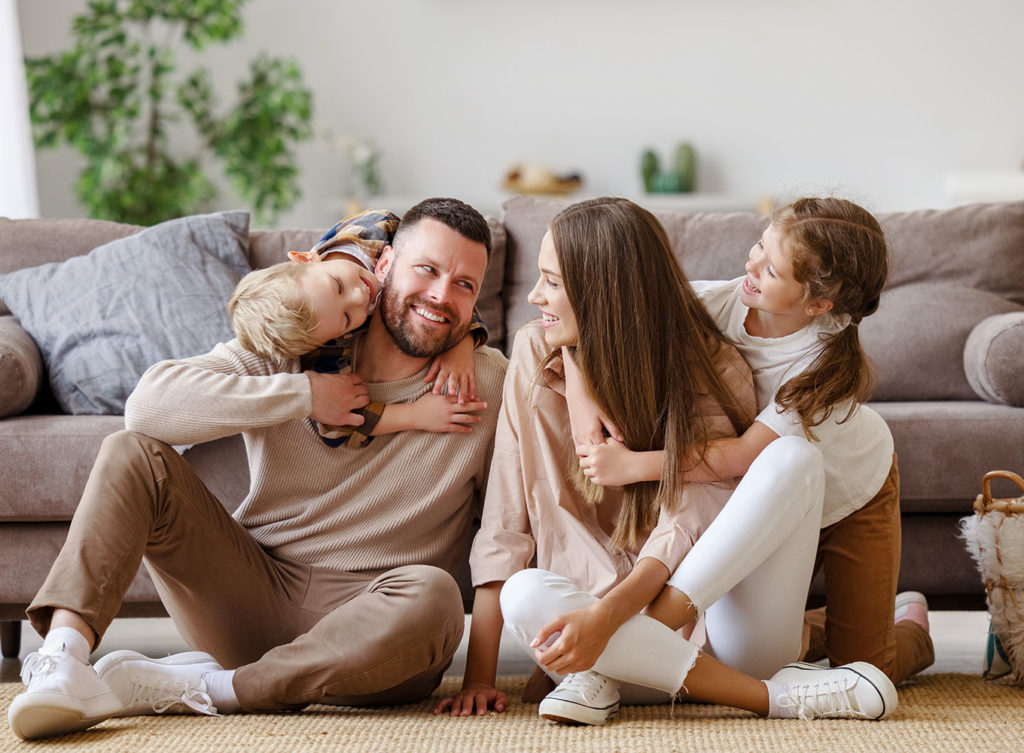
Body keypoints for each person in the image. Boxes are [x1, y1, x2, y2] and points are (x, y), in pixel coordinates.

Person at [7, 198, 508, 741]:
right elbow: (147, 409)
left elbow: (506, 528)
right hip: (255, 592)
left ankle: (215, 688)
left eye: (465, 285)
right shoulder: (301, 335)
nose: (441, 296)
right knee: (132, 453)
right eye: (427, 269)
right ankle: (62, 661)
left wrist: (483, 676)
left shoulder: (487, 382)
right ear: (383, 266)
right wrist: (303, 394)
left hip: (378, 631)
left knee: (435, 595)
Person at [435, 197, 898, 726]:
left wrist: (612, 616)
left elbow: (722, 478)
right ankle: (724, 681)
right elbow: (503, 523)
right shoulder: (559, 346)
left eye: (553, 283)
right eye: (759, 247)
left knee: (867, 653)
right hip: (612, 623)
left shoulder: (762, 367)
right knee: (524, 594)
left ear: (816, 304)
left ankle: (638, 668)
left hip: (808, 507)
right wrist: (479, 678)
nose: (533, 296)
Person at [575, 197, 934, 691]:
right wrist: (583, 399)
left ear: (816, 305)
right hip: (774, 499)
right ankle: (820, 628)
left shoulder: (821, 367)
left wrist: (633, 465)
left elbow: (743, 455)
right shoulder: (712, 303)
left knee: (868, 668)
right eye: (759, 246)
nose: (751, 266)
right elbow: (585, 326)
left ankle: (910, 625)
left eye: (772, 270)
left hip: (851, 493)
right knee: (762, 637)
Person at [228, 209, 488, 446]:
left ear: (307, 259)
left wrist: (462, 344)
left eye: (338, 286)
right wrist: (414, 415)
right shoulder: (326, 343)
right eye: (347, 318)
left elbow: (447, 268)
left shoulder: (376, 228)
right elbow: (338, 425)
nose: (360, 296)